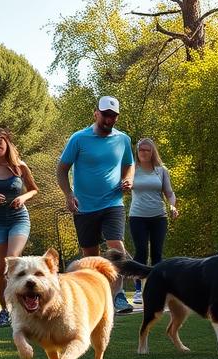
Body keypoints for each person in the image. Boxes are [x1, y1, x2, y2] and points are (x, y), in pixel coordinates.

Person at [56, 95, 135, 314]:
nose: (109, 120)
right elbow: (62, 169)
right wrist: (68, 194)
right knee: (90, 256)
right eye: (105, 115)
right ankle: (97, 297)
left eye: (113, 116)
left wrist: (129, 179)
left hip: (113, 202)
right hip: (84, 206)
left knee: (116, 246)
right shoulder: (79, 139)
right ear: (96, 113)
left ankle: (118, 295)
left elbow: (129, 165)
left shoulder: (123, 140)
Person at [0, 127, 38, 327]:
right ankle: (5, 310)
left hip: (19, 218)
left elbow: (34, 189)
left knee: (12, 260)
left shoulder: (20, 167)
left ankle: (20, 308)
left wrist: (23, 197)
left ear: (7, 142)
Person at [127, 138, 178, 305]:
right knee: (141, 252)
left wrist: (172, 206)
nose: (143, 153)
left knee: (157, 254)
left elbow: (169, 192)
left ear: (152, 152)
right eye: (141, 150)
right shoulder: (132, 169)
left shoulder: (161, 170)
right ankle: (137, 290)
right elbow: (124, 187)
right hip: (137, 217)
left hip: (159, 217)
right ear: (137, 151)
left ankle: (158, 290)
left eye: (147, 150)